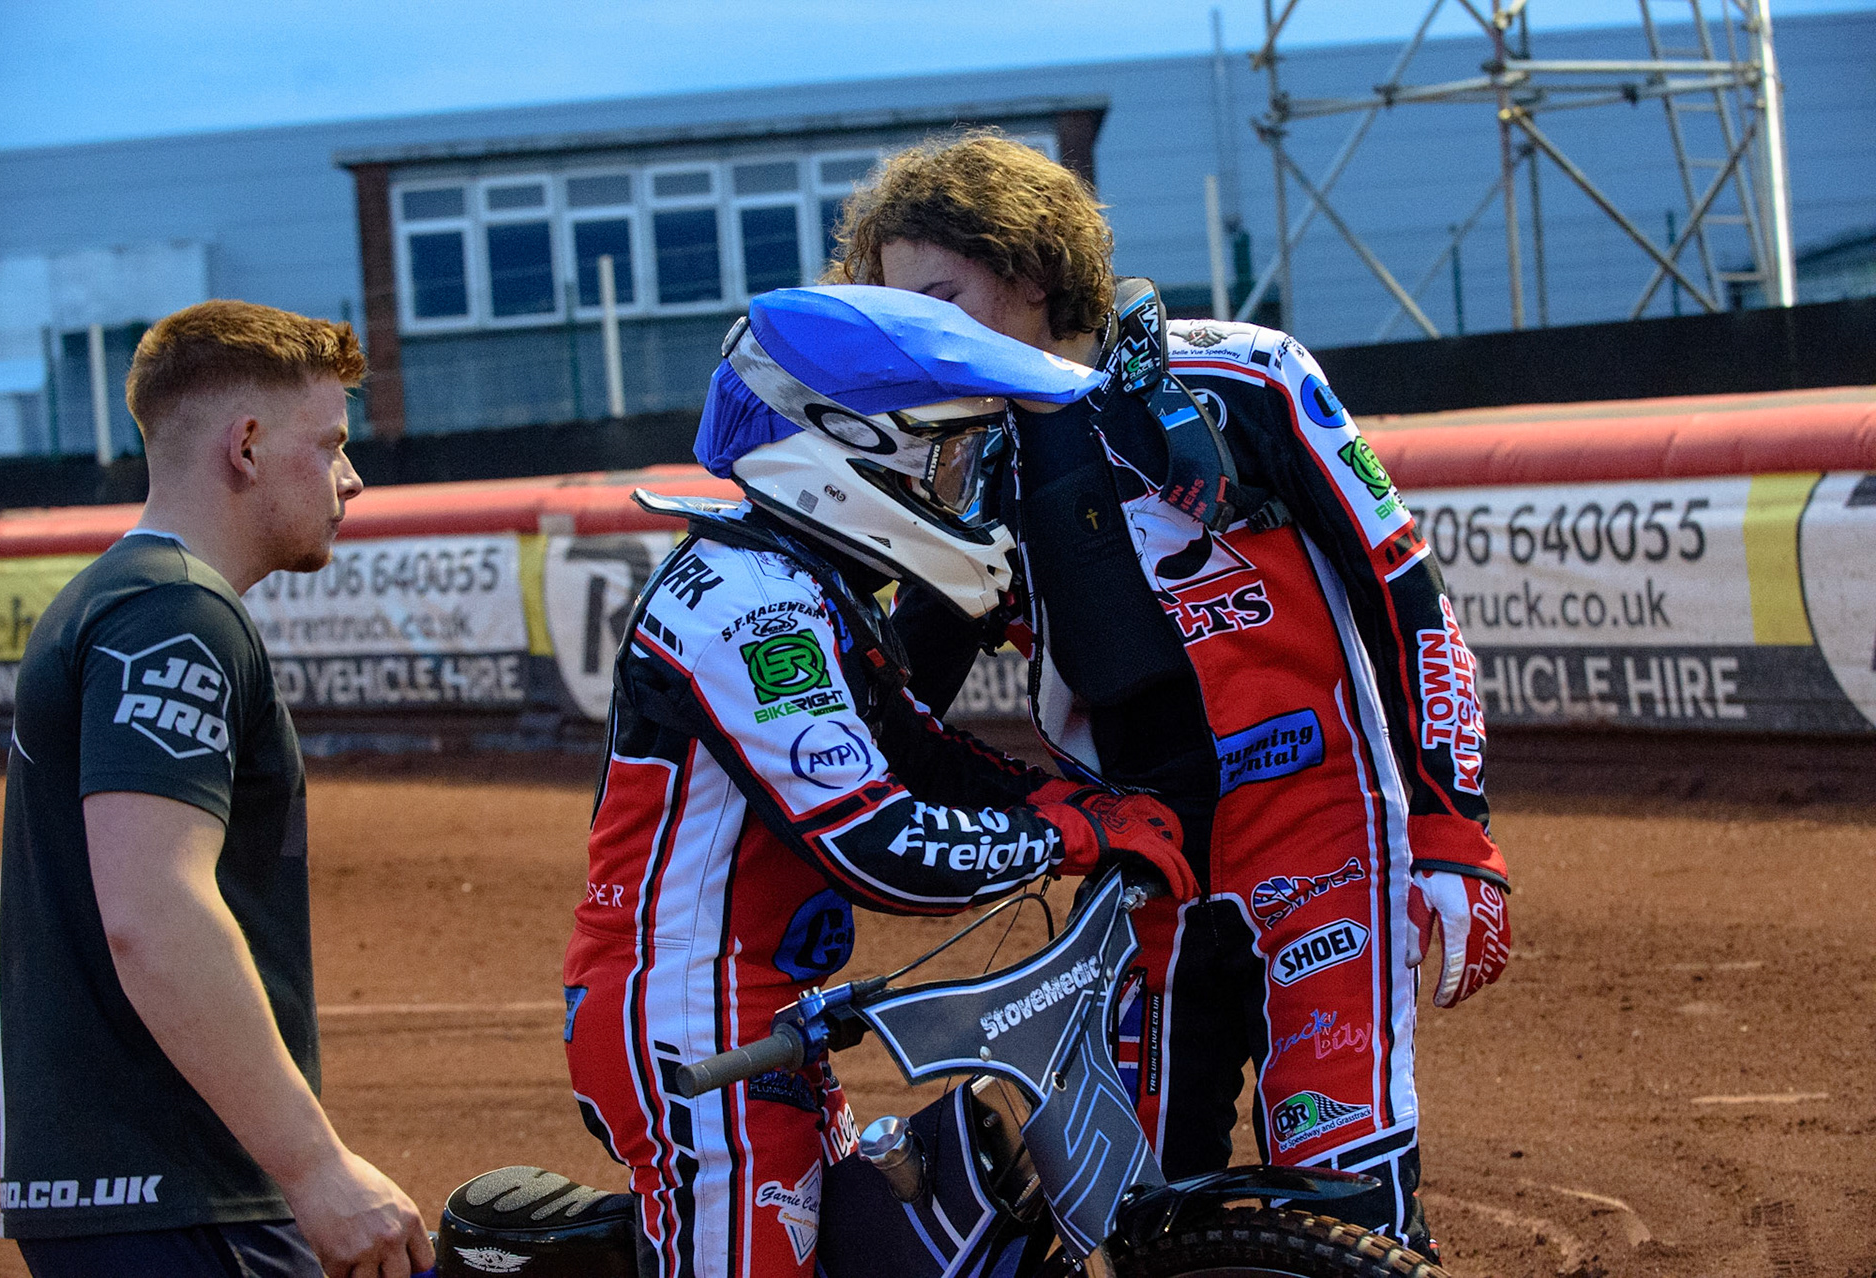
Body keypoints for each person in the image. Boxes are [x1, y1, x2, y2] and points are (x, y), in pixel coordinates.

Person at [829, 132, 1512, 1254]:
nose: (923, 335)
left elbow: (1408, 597)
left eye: (940, 300)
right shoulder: (966, 466)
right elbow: (903, 692)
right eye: (900, 311)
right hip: (1144, 861)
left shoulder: (1248, 376)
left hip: (1324, 828)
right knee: (1135, 1208)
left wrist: (1453, 827)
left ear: (1029, 268)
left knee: (1345, 1194)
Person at [562, 284, 1197, 1278]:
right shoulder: (748, 604)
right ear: (845, 446)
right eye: (948, 460)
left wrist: (1064, 802)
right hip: (692, 1022)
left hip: (755, 1009)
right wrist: (1072, 836)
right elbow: (881, 845)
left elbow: (919, 753)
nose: (964, 492)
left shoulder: (799, 579)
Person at [0, 301, 433, 1278]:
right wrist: (316, 1168)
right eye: (330, 444)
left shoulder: (119, 597)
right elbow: (155, 913)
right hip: (180, 1193)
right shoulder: (175, 613)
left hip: (132, 1195)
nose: (351, 478)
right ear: (245, 446)